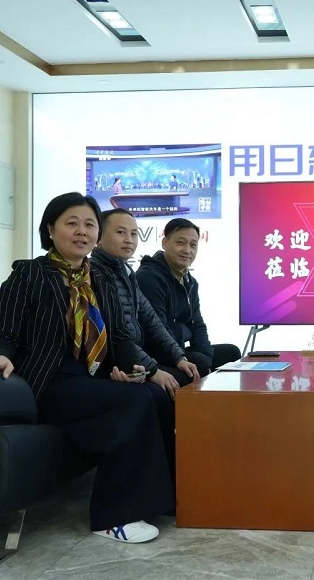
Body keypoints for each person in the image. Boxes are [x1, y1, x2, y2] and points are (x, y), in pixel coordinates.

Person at [0, 192, 173, 544]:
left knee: (155, 394)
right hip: (49, 380)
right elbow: (4, 332)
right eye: (71, 223)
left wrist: (140, 370)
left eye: (89, 224)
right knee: (132, 402)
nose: (82, 231)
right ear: (51, 229)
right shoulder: (29, 274)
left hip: (90, 377)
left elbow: (120, 338)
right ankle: (113, 517)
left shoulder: (100, 279)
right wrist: (0, 355)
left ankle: (159, 501)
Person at [90, 208, 202, 485]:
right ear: (99, 237)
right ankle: (165, 479)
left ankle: (185, 470)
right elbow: (116, 335)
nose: (129, 240)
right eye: (120, 232)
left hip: (131, 358)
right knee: (161, 391)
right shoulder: (97, 274)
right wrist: (153, 370)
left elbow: (152, 322)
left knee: (186, 372)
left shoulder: (124, 272)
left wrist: (178, 357)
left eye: (134, 234)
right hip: (110, 363)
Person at [137, 218, 241, 377]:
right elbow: (157, 331)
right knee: (199, 362)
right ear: (165, 243)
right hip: (156, 355)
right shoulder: (149, 277)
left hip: (179, 350)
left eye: (193, 245)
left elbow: (197, 325)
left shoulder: (190, 282)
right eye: (181, 243)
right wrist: (186, 350)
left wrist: (207, 360)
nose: (187, 250)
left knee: (231, 353)